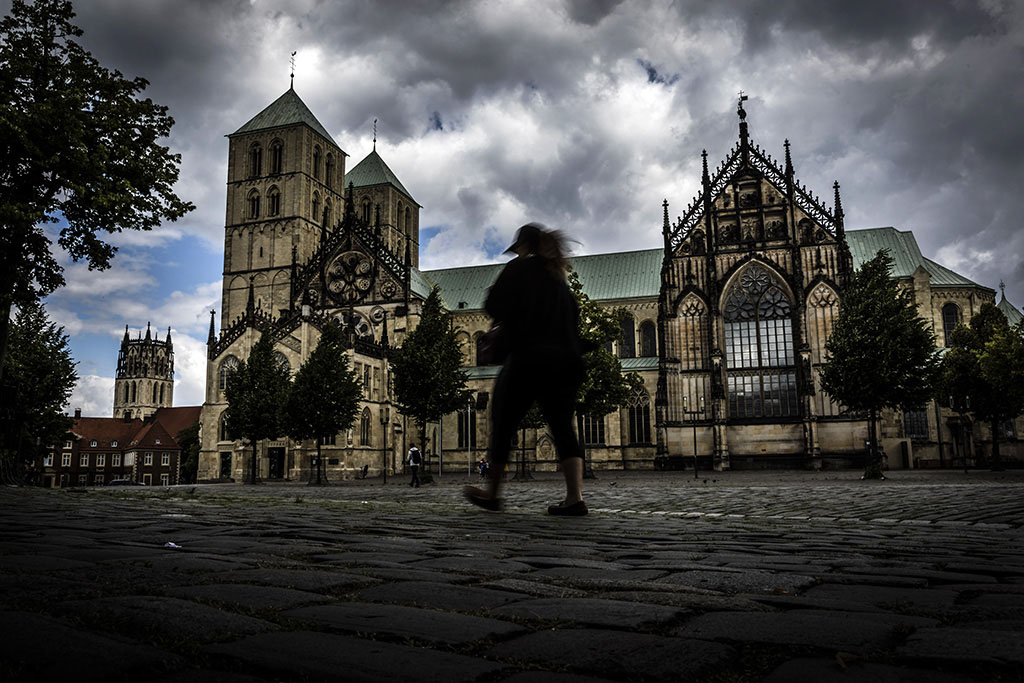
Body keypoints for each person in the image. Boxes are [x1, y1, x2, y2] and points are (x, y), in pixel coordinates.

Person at [464, 222, 590, 516]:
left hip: (529, 359)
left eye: (517, 247)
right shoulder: (559, 281)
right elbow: (574, 321)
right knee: (563, 429)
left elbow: (493, 305)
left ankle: (493, 494)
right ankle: (575, 498)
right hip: (567, 363)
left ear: (523, 247)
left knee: (502, 420)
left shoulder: (519, 269)